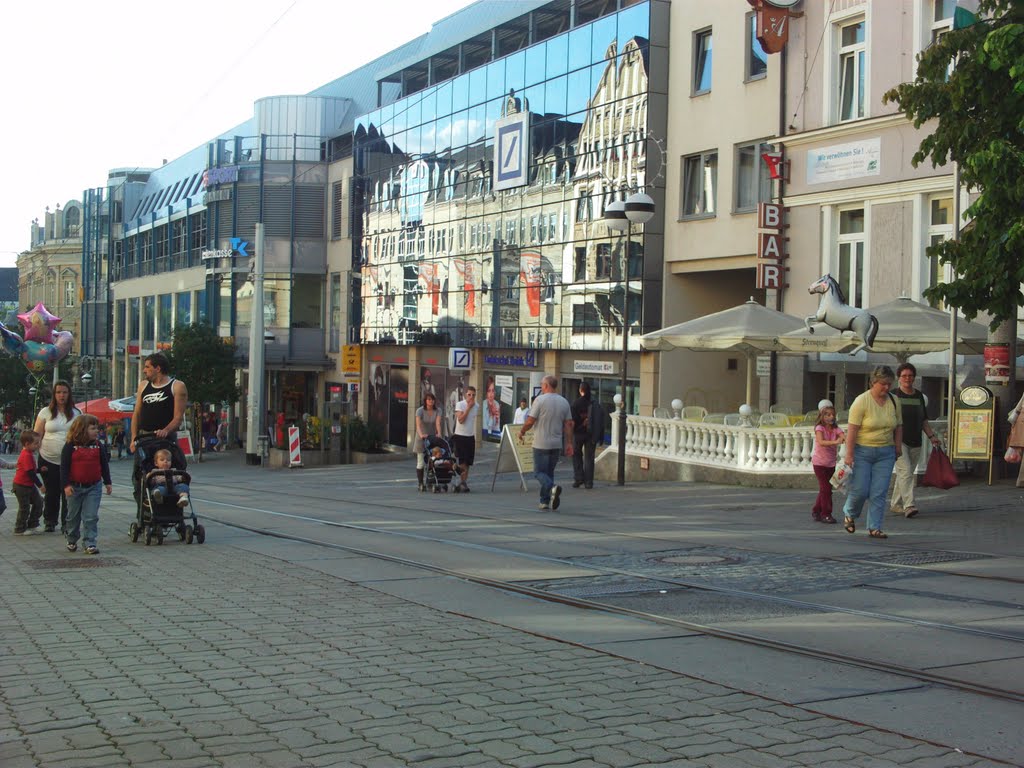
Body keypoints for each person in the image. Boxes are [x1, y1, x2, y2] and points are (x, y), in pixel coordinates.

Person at [842, 366, 902, 539]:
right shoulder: (861, 401)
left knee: (879, 491)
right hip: (863, 451)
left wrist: (897, 447)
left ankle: (874, 527)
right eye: (883, 384)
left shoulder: (894, 401)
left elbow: (899, 426)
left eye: (889, 384)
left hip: (886, 452)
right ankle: (850, 513)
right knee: (860, 490)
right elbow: (852, 431)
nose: (886, 388)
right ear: (873, 382)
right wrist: (849, 454)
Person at [889, 363, 941, 519]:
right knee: (905, 473)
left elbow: (924, 419)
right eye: (904, 376)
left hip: (916, 441)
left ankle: (895, 504)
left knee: (906, 474)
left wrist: (932, 437)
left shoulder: (919, 396)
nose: (907, 379)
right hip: (898, 441)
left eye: (910, 376)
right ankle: (909, 505)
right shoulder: (893, 396)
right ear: (899, 378)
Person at [519, 375, 574, 511]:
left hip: (541, 443)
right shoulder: (564, 402)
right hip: (556, 444)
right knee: (549, 472)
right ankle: (545, 501)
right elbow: (568, 425)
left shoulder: (540, 400)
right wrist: (569, 443)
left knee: (538, 473)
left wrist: (522, 431)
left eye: (542, 384)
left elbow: (530, 420)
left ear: (546, 386)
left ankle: (552, 487)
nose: (541, 387)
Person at [60, 414, 112, 555]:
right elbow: (64, 467)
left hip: (93, 486)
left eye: (97, 428)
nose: (97, 431)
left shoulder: (98, 445)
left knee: (91, 516)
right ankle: (71, 538)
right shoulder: (70, 445)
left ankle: (90, 542)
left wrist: (108, 482)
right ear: (82, 429)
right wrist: (66, 485)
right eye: (93, 428)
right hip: (74, 487)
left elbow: (104, 465)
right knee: (73, 516)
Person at [34, 380, 80, 533]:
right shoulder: (45, 412)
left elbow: (80, 435)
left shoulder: (76, 413)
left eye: (65, 392)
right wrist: (31, 454)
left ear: (69, 394)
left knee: (68, 491)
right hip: (48, 458)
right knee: (52, 492)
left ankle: (67, 522)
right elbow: (37, 435)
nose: (62, 395)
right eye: (59, 392)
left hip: (70, 460)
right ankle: (50, 520)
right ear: (54, 395)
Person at [130, 353, 188, 453]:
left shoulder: (177, 386)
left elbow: (178, 418)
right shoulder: (143, 385)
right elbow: (137, 413)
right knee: (143, 467)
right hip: (144, 436)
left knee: (164, 466)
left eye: (147, 367)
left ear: (158, 369)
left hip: (165, 439)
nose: (144, 371)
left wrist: (165, 430)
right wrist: (134, 438)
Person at [811, 404, 844, 524]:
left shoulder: (835, 428)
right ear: (822, 416)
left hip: (830, 463)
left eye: (833, 415)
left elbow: (842, 436)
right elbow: (821, 441)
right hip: (819, 464)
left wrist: (843, 438)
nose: (831, 417)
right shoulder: (819, 428)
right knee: (826, 489)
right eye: (827, 414)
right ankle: (826, 514)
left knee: (826, 489)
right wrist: (835, 441)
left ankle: (816, 510)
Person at [12, 430, 43, 535]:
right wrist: (40, 485)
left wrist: (39, 470)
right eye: (36, 443)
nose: (38, 445)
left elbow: (31, 470)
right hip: (21, 486)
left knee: (38, 502)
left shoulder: (29, 453)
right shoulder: (26, 455)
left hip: (28, 485)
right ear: (27, 444)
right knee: (24, 507)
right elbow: (30, 473)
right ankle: (19, 529)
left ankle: (33, 524)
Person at [571, 382, 601, 490]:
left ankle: (578, 478)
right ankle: (589, 482)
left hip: (578, 434)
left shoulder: (576, 403)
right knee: (589, 458)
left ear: (580, 390)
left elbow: (573, 420)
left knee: (576, 455)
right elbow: (599, 420)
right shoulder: (594, 403)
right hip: (590, 434)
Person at [413, 393, 442, 491]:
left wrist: (439, 433)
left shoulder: (438, 411)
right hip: (421, 438)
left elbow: (438, 423)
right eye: (429, 399)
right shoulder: (420, 411)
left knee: (432, 461)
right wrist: (421, 435)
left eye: (432, 400)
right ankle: (420, 483)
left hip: (432, 438)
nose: (431, 401)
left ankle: (430, 481)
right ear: (425, 401)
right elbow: (418, 425)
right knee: (420, 462)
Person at [452, 385, 479, 492]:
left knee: (468, 462)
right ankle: (459, 476)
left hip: (470, 436)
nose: (471, 397)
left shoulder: (477, 405)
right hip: (460, 436)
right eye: (469, 395)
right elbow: (461, 420)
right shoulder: (460, 404)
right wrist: (468, 407)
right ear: (465, 395)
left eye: (473, 395)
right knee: (462, 461)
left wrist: (472, 406)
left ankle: (463, 482)